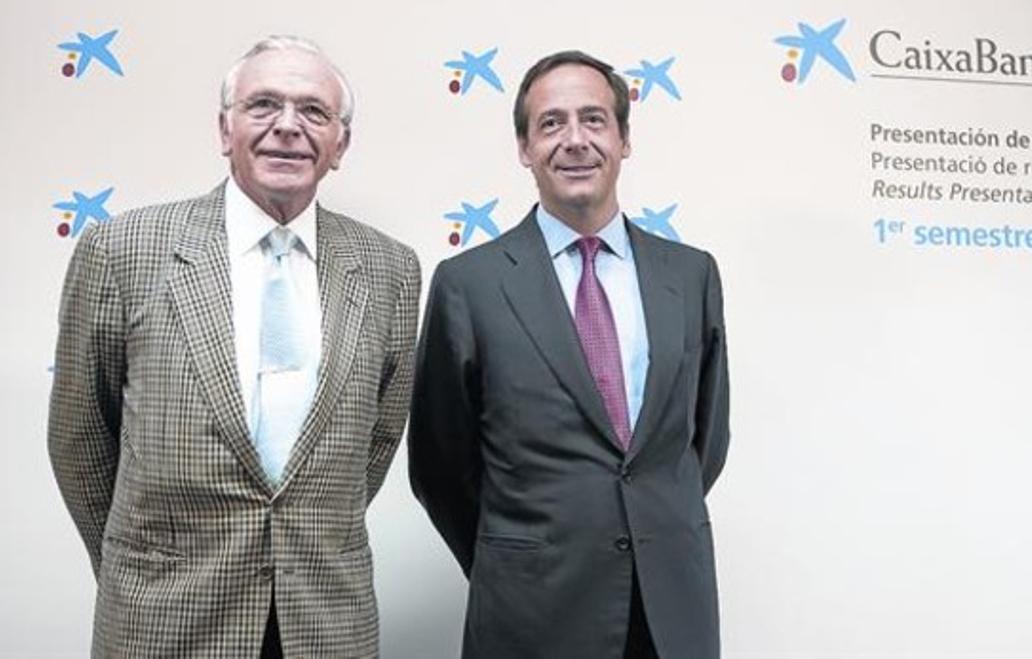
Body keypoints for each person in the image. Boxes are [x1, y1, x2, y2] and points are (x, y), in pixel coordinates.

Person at [48, 35, 420, 657]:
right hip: (165, 618)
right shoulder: (123, 251)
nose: (288, 127)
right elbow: (80, 436)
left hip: (325, 622)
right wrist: (138, 564)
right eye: (263, 105)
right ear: (225, 130)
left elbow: (376, 440)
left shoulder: (391, 268)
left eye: (314, 112)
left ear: (341, 144)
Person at [409, 49, 730, 659]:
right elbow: (439, 465)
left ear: (623, 139)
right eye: (551, 123)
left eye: (594, 119)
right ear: (524, 148)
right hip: (531, 612)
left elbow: (701, 444)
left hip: (670, 611)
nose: (575, 140)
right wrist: (520, 554)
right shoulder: (469, 285)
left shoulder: (691, 276)